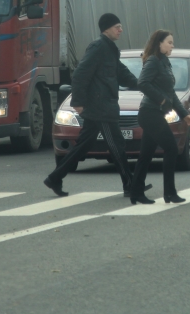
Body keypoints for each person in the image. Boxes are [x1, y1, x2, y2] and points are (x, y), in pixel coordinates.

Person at [44, 13, 149, 202]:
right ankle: (130, 184)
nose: (121, 30)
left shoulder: (111, 49)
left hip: (104, 106)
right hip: (101, 108)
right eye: (117, 26)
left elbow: (121, 73)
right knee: (117, 145)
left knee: (82, 146)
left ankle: (54, 178)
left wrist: (142, 85)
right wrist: (77, 102)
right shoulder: (98, 47)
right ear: (107, 28)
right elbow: (80, 75)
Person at [134, 29, 190, 204]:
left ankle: (136, 192)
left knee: (145, 154)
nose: (172, 46)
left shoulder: (165, 62)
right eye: (169, 42)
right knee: (172, 148)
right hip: (150, 113)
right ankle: (169, 193)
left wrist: (184, 114)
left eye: (172, 43)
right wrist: (160, 100)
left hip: (155, 114)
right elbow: (142, 83)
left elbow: (171, 93)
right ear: (159, 43)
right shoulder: (153, 61)